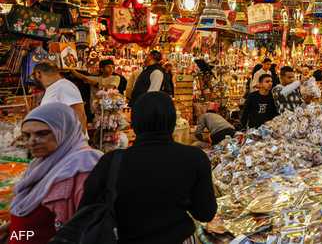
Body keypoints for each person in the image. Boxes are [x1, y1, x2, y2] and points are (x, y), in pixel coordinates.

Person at [78, 92, 216, 244]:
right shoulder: (195, 158)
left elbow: (87, 212)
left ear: (134, 122)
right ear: (172, 121)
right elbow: (205, 213)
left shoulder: (111, 161)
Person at [5, 104, 101, 244]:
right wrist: (12, 232)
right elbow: (34, 225)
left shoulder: (83, 168)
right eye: (27, 135)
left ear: (64, 131)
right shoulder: (40, 164)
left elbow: (86, 229)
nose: (32, 141)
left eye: (42, 133)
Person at [32, 62, 87, 132]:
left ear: (38, 74)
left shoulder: (64, 86)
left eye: (33, 75)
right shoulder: (55, 87)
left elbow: (80, 115)